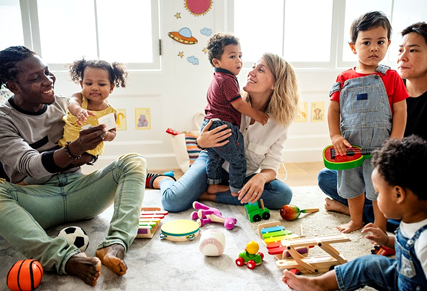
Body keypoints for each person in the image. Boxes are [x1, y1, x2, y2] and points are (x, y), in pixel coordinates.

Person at [0, 46, 146, 286]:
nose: (48, 81)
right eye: (36, 78)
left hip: (80, 190)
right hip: (38, 199)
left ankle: (115, 244)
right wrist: (74, 149)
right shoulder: (4, 120)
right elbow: (32, 166)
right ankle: (64, 258)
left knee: (134, 161)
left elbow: (92, 152)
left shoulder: (65, 105)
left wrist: (94, 145)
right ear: (13, 86)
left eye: (47, 72)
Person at [148, 52, 299, 212]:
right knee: (172, 202)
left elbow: (272, 165)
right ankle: (163, 179)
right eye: (253, 67)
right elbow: (203, 136)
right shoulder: (232, 101)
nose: (250, 72)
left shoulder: (280, 122)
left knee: (282, 194)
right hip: (212, 164)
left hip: (242, 175)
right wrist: (201, 142)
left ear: (275, 84)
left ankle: (208, 195)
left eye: (260, 70)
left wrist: (260, 177)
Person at [319, 21, 427, 231]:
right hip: (355, 153)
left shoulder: (390, 78)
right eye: (400, 50)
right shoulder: (345, 78)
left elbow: (401, 113)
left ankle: (374, 219)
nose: (374, 48)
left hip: (397, 168)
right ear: (354, 47)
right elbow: (333, 109)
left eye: (413, 50)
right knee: (331, 179)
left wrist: (393, 144)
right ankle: (357, 216)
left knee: (381, 191)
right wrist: (335, 136)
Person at [282, 135, 427, 291]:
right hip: (402, 275)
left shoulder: (424, 242)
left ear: (398, 194)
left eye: (378, 193)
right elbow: (403, 244)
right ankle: (319, 284)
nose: (375, 198)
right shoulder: (411, 219)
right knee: (368, 264)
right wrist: (386, 240)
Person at [201, 32, 269, 197]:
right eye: (232, 56)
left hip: (210, 123)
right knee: (238, 159)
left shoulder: (217, 77)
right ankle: (237, 190)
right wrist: (258, 115)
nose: (238, 60)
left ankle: (213, 185)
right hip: (222, 126)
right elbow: (238, 104)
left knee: (215, 159)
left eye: (240, 55)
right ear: (216, 62)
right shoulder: (227, 79)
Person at [58, 58, 127, 161]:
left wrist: (106, 135)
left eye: (101, 84)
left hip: (90, 152)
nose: (94, 87)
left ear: (111, 87)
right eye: (89, 84)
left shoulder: (110, 112)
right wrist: (79, 111)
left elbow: (113, 133)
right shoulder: (79, 98)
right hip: (67, 147)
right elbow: (72, 104)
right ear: (82, 85)